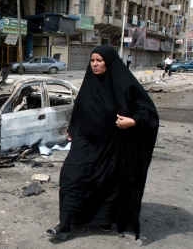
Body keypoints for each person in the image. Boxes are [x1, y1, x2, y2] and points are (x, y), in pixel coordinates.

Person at [46, 45, 159, 241]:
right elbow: (80, 109)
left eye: (99, 60)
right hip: (86, 142)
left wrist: (132, 121)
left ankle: (104, 218)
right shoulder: (89, 83)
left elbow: (147, 111)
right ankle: (66, 222)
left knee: (107, 182)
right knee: (70, 176)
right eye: (92, 61)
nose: (95, 64)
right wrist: (72, 129)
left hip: (112, 146)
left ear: (109, 62)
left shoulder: (123, 83)